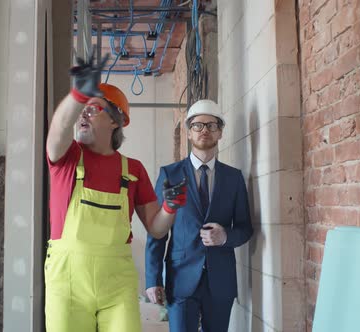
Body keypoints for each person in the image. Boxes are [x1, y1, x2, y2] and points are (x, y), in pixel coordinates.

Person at [44, 52, 187, 332]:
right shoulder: (67, 158)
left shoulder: (132, 169)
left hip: (116, 284)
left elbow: (157, 229)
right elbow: (59, 127)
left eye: (93, 108)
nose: (83, 112)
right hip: (68, 281)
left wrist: (170, 208)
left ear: (115, 121)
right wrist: (78, 94)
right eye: (82, 108)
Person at [145, 99, 253, 332]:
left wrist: (225, 237)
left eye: (211, 125)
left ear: (220, 132)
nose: (204, 130)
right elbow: (157, 230)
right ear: (189, 131)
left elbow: (245, 227)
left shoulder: (233, 178)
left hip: (220, 280)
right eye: (198, 125)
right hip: (180, 277)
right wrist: (152, 279)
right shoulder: (170, 174)